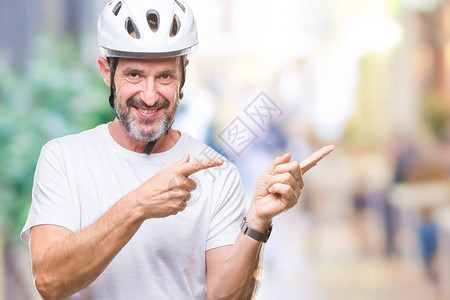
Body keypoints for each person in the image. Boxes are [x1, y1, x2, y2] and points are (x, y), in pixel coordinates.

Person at [21, 0, 335, 299]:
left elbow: (225, 297)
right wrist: (138, 205)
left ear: (183, 74)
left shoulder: (217, 173)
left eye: (165, 76)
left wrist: (256, 222)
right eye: (134, 74)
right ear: (107, 72)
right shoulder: (63, 158)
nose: (149, 95)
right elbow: (49, 282)